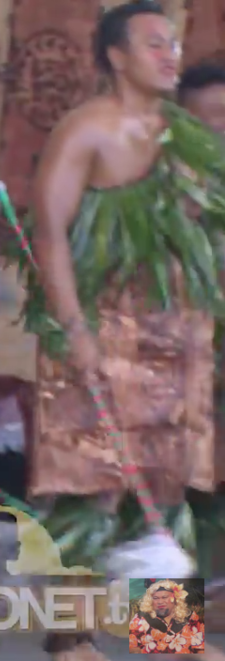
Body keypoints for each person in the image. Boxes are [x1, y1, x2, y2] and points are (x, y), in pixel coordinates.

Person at [21, 2, 225, 659]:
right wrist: (73, 327)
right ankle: (69, 636)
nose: (171, 55)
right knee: (93, 484)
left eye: (174, 43)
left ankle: (164, 633)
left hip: (177, 334)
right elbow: (49, 233)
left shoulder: (184, 135)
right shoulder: (86, 129)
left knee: (165, 484)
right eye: (154, 44)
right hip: (103, 327)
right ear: (116, 55)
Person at [177, 61, 225, 588]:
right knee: (177, 488)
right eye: (208, 116)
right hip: (176, 349)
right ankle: (165, 629)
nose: (220, 128)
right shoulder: (155, 181)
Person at [128, 580, 205, 654]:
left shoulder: (190, 617)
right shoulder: (141, 619)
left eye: (164, 597)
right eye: (156, 598)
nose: (160, 602)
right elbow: (131, 647)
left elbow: (200, 648)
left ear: (175, 599)